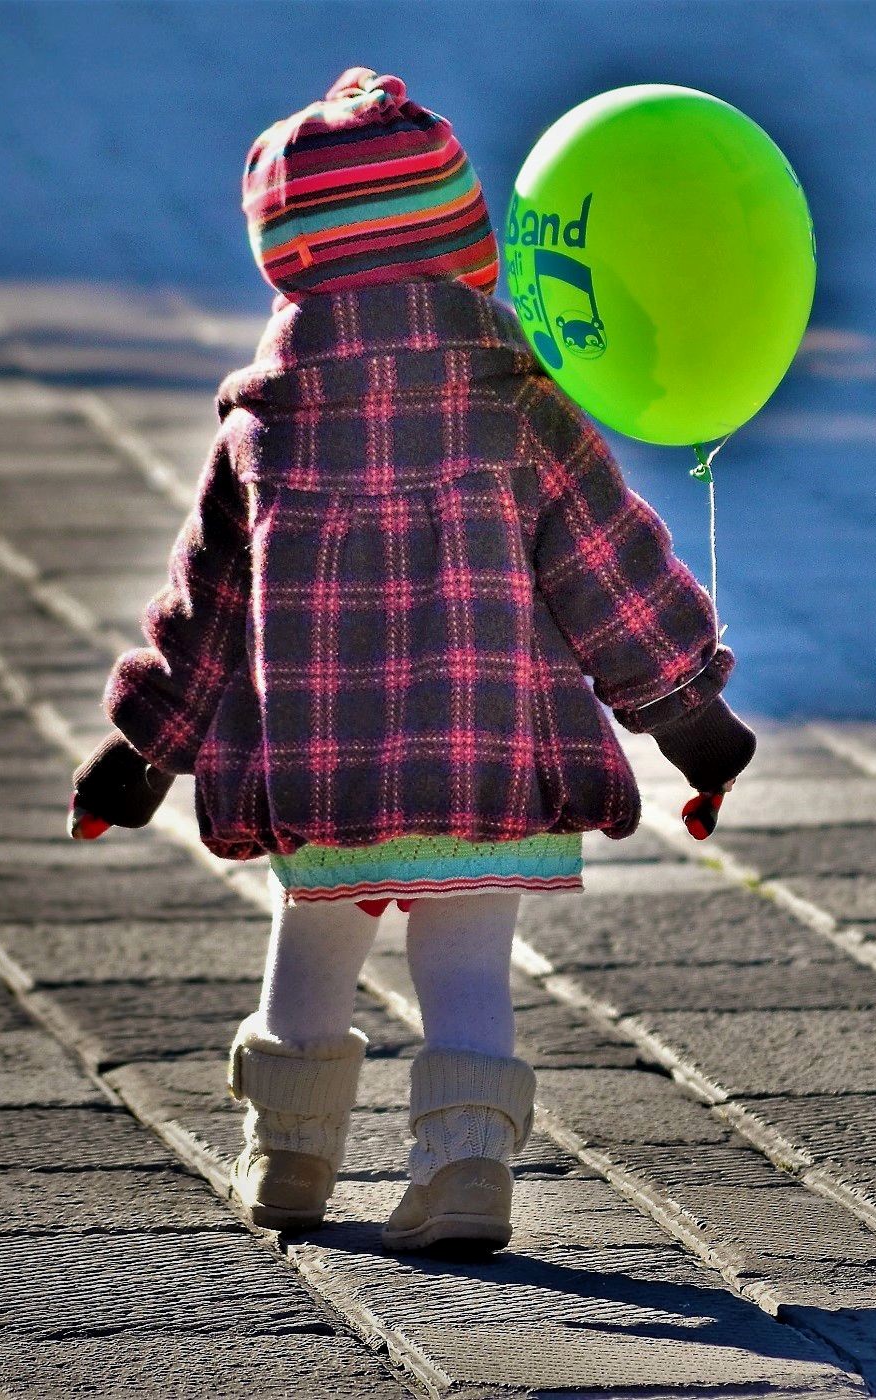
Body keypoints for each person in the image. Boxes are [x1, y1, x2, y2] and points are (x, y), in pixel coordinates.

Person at [68, 67, 756, 1253]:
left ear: (289, 263)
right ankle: (466, 1166)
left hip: (324, 770)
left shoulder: (263, 427)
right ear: (465, 250)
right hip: (481, 759)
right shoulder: (519, 405)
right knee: (468, 959)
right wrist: (688, 714)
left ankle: (290, 1153)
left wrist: (142, 754)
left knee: (315, 941)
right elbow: (607, 565)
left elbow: (206, 606)